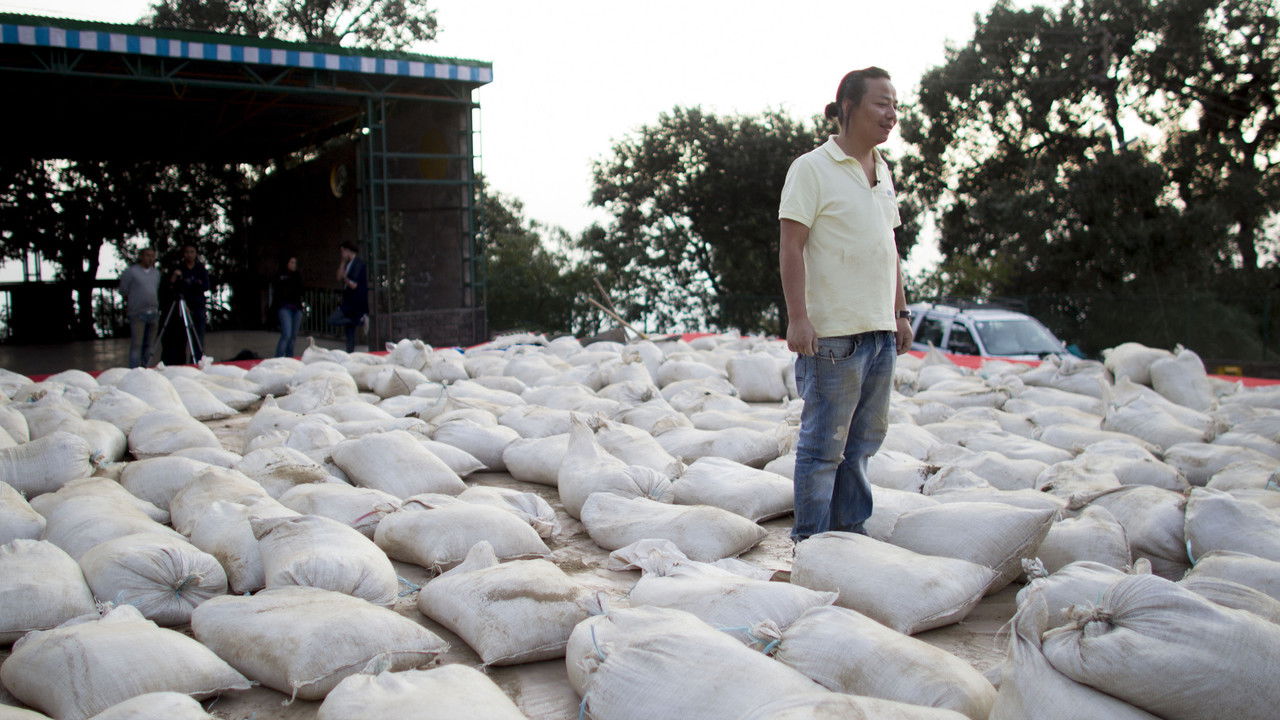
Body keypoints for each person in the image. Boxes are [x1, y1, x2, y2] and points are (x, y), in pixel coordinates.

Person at [777, 67, 913, 542]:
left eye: (895, 105)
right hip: (834, 335)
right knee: (823, 449)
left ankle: (849, 537)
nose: (891, 114)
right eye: (881, 103)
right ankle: (809, 545)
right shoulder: (811, 168)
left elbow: (888, 247)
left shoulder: (883, 171)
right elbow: (791, 246)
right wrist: (798, 318)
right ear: (848, 107)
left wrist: (900, 312)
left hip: (879, 332)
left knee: (863, 446)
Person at [161, 243, 211, 365]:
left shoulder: (200, 269)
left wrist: (195, 283)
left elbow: (206, 286)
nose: (189, 254)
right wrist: (176, 277)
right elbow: (171, 286)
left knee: (197, 337)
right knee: (180, 338)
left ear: (196, 254)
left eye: (192, 252)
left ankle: (196, 361)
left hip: (198, 307)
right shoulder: (179, 268)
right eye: (187, 252)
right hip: (182, 307)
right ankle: (181, 363)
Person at [118, 247, 161, 368]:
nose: (150, 258)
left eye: (152, 255)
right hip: (137, 312)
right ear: (141, 256)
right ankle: (134, 370)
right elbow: (123, 290)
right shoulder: (131, 272)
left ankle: (146, 368)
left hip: (153, 312)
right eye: (147, 255)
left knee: (150, 345)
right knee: (137, 345)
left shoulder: (156, 273)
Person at [328, 241, 368, 352]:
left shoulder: (358, 264)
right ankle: (349, 352)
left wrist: (345, 277)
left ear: (347, 250)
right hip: (348, 299)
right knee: (349, 333)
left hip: (354, 301)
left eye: (343, 251)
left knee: (333, 320)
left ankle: (357, 321)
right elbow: (338, 277)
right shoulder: (347, 263)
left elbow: (353, 285)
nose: (342, 254)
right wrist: (342, 263)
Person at [271, 256, 304, 357]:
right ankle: (278, 358)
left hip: (296, 308)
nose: (294, 265)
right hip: (285, 307)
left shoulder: (297, 275)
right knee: (287, 334)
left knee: (293, 336)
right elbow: (279, 292)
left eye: (295, 263)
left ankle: (289, 358)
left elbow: (300, 290)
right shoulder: (280, 275)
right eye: (292, 262)